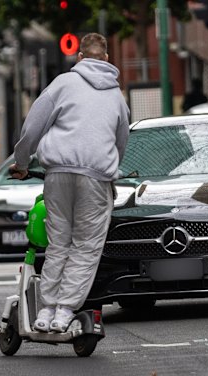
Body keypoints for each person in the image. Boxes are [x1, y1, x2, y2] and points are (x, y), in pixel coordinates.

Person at [9, 33, 130, 333]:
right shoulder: (116, 95)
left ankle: (45, 310)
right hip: (95, 177)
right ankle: (65, 311)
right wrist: (111, 165)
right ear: (106, 58)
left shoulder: (63, 83)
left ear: (79, 57)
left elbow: (34, 124)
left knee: (58, 241)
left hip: (59, 172)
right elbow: (122, 140)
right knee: (86, 246)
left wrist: (21, 163)